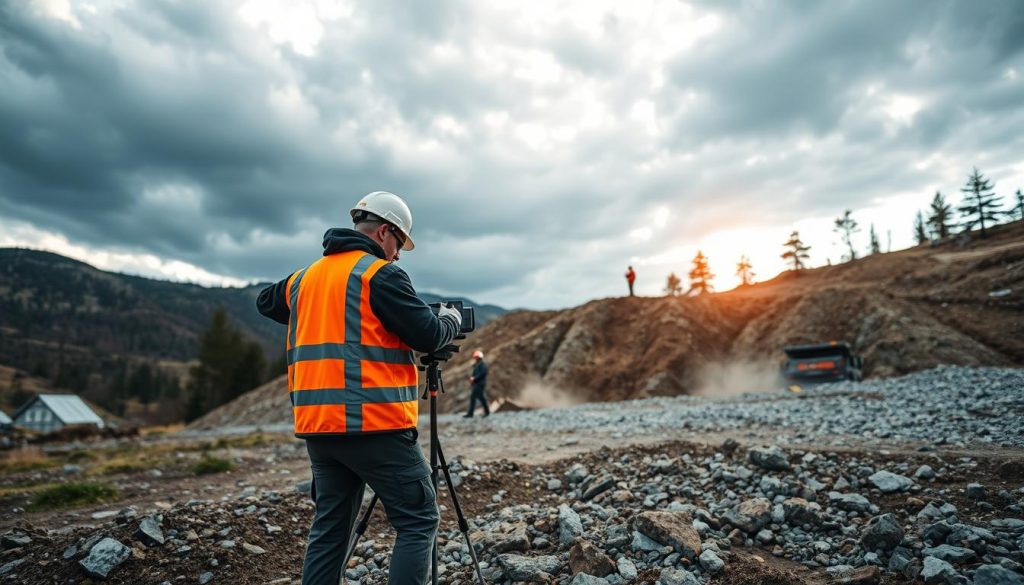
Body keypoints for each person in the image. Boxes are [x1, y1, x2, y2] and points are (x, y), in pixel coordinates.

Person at [256, 191, 463, 585]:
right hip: (374, 425)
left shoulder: (304, 278)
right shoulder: (379, 274)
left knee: (331, 528)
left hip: (320, 429)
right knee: (419, 520)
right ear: (385, 232)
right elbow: (428, 335)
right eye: (399, 243)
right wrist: (449, 319)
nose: (398, 254)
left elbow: (266, 301)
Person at [464, 349, 490, 418]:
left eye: (476, 357)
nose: (475, 359)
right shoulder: (476, 366)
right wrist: (472, 379)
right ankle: (471, 413)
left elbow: (482, 373)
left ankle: (486, 412)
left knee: (481, 398)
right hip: (476, 384)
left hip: (480, 384)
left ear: (479, 358)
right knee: (474, 398)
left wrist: (474, 378)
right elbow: (475, 374)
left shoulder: (482, 365)